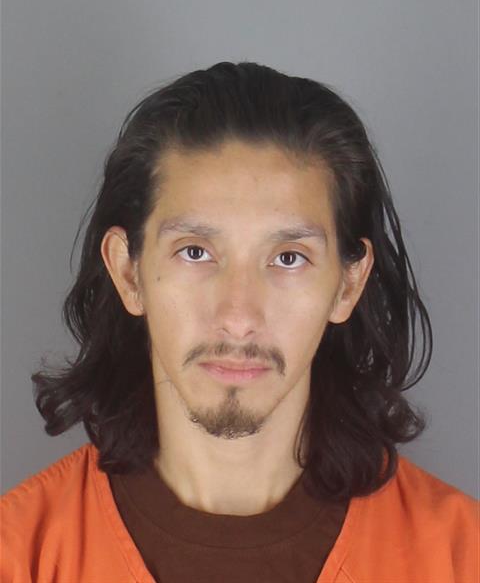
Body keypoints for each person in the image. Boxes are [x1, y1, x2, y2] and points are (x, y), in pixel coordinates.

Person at [1, 61, 477, 583]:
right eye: (195, 252)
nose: (238, 318)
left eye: (289, 258)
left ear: (348, 284)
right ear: (128, 272)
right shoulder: (20, 555)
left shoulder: (460, 558)